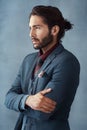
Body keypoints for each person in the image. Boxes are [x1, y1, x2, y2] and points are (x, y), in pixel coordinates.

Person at [5, 5, 80, 130]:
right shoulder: (28, 60)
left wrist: (18, 102)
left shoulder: (67, 61)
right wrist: (27, 100)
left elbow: (43, 112)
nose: (31, 34)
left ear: (54, 30)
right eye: (30, 28)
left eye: (37, 28)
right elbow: (7, 98)